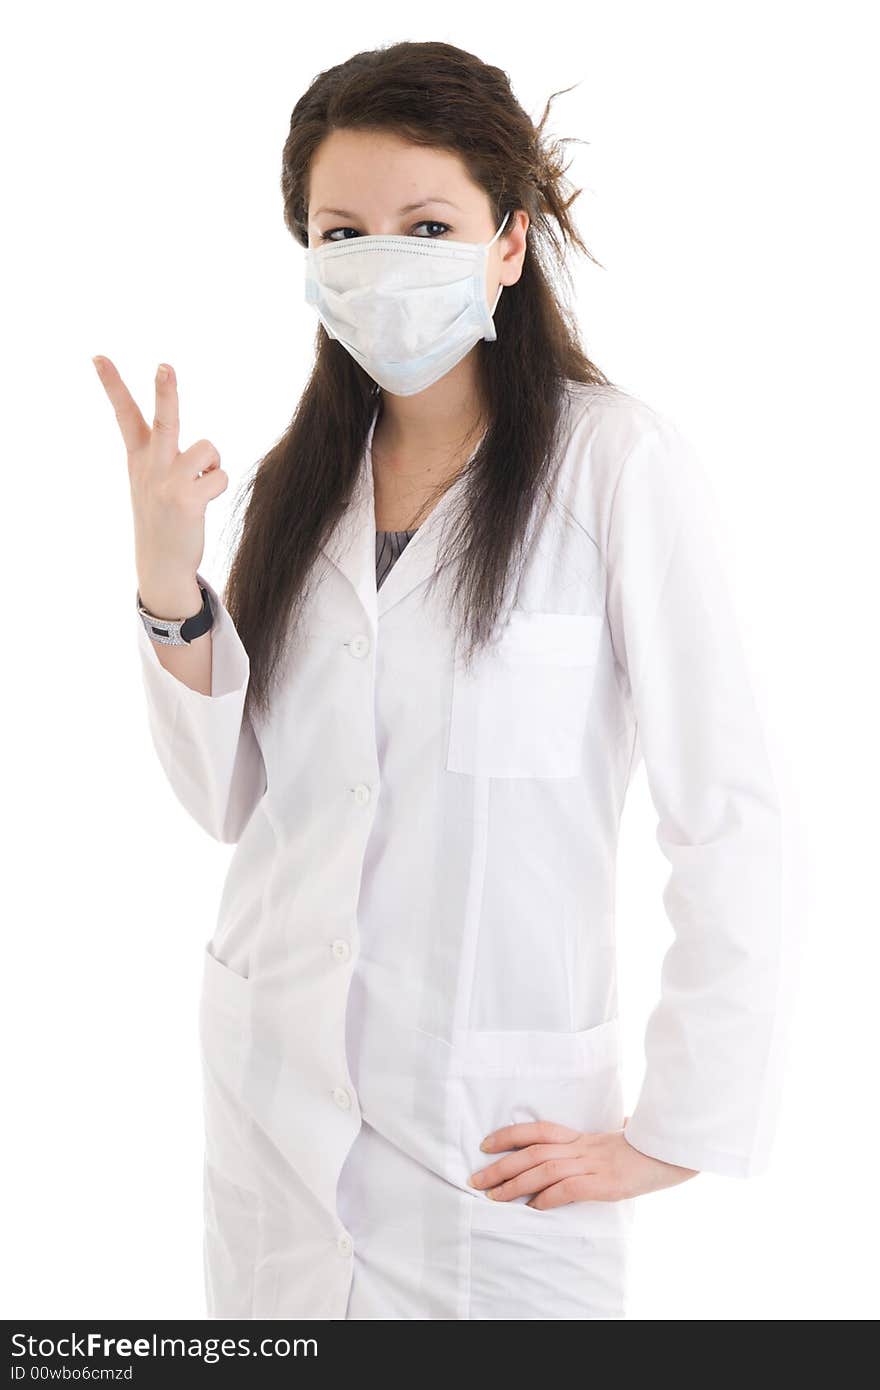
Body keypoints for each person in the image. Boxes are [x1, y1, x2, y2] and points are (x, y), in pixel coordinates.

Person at [93, 41, 785, 1321]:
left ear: (508, 243)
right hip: (275, 1140)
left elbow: (728, 814)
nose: (380, 259)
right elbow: (232, 799)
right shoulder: (297, 487)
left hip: (499, 1160)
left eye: (426, 224)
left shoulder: (614, 468)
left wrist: (675, 1130)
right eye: (341, 230)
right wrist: (168, 582)